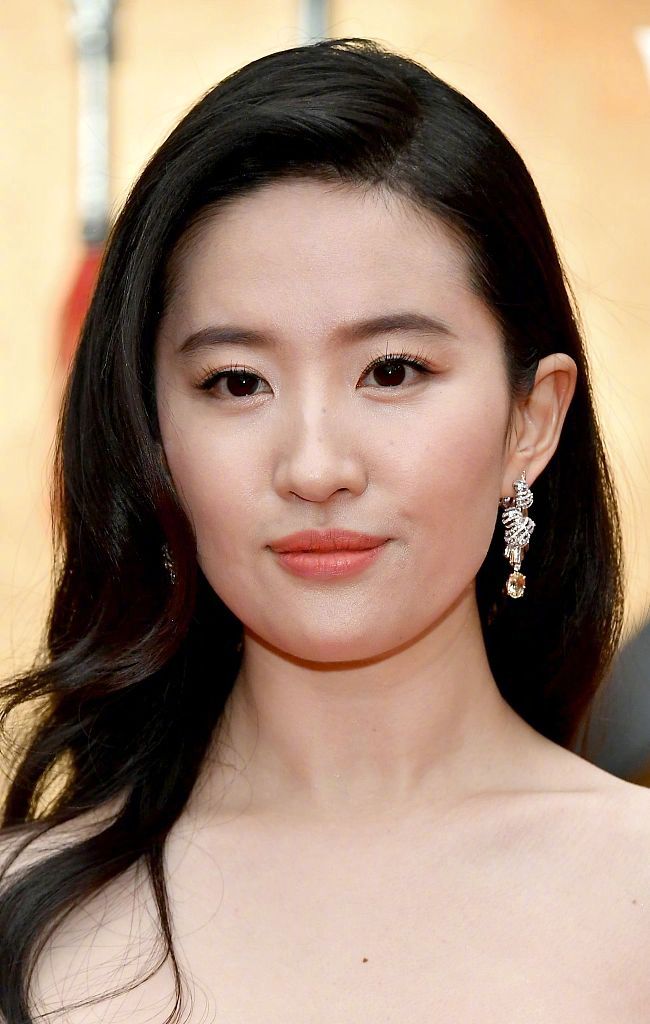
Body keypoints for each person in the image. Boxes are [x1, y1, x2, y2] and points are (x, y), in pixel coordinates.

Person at [1, 35, 648, 1024]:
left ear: (531, 419)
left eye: (391, 371)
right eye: (236, 382)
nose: (313, 467)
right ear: (153, 435)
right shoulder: (25, 916)